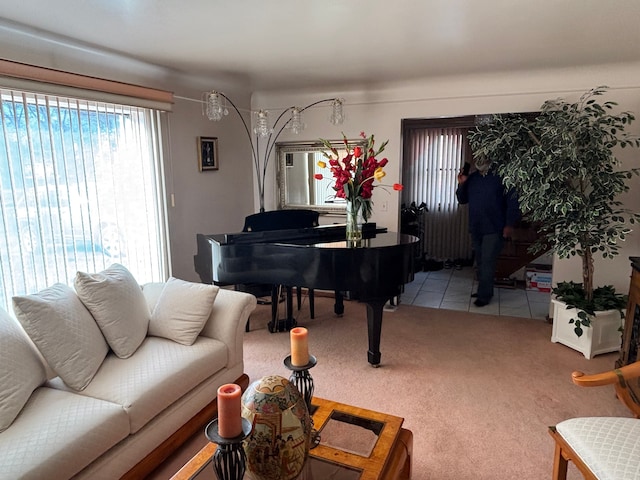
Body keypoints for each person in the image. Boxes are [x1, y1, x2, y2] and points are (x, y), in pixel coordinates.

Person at [456, 156, 519, 307]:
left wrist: (509, 224)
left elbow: (513, 202)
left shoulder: (501, 177)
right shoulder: (472, 178)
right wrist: (461, 184)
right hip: (476, 227)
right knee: (481, 261)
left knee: (488, 262)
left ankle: (484, 296)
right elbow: (462, 199)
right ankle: (484, 290)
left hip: (494, 227)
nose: (480, 160)